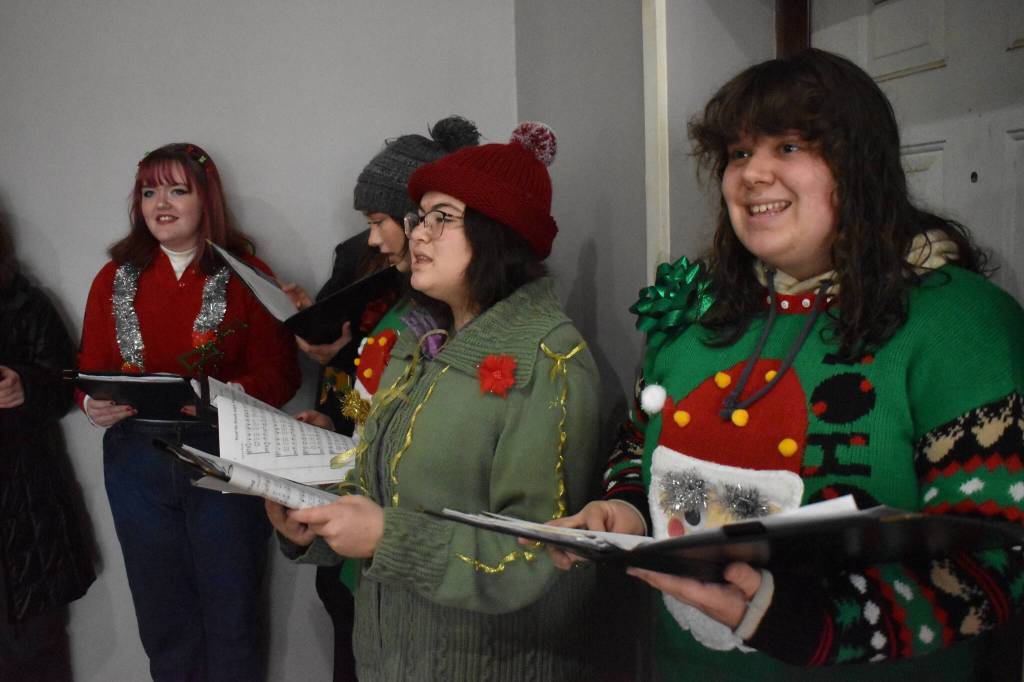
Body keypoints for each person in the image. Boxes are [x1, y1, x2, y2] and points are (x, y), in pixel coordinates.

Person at [550, 49, 1024, 681]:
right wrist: (627, 511)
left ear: (860, 165)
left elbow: (998, 558)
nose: (752, 173)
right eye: (739, 153)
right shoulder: (695, 316)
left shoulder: (960, 324)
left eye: (791, 146)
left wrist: (808, 622)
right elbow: (636, 449)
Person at [267, 123, 602, 681]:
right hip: (390, 657)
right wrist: (314, 522)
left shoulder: (549, 360)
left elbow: (537, 556)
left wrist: (386, 537)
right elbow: (381, 484)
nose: (418, 234)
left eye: (441, 217)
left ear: (500, 232)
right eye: (418, 217)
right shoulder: (419, 337)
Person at [77, 143, 300, 681]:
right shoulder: (113, 277)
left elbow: (282, 374)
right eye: (149, 192)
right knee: (163, 614)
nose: (162, 204)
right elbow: (89, 369)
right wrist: (90, 404)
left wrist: (227, 392)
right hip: (136, 457)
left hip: (225, 450)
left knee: (232, 608)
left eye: (178, 190)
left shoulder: (247, 274)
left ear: (207, 200)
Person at [281, 115, 480, 682]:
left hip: (404, 561)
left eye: (378, 222)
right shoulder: (403, 304)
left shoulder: (441, 323)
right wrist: (334, 427)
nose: (372, 239)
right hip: (361, 554)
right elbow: (373, 408)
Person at [0, 220, 95, 682]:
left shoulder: (24, 301)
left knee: (32, 651)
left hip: (21, 506)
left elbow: (66, 381)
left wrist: (25, 385)